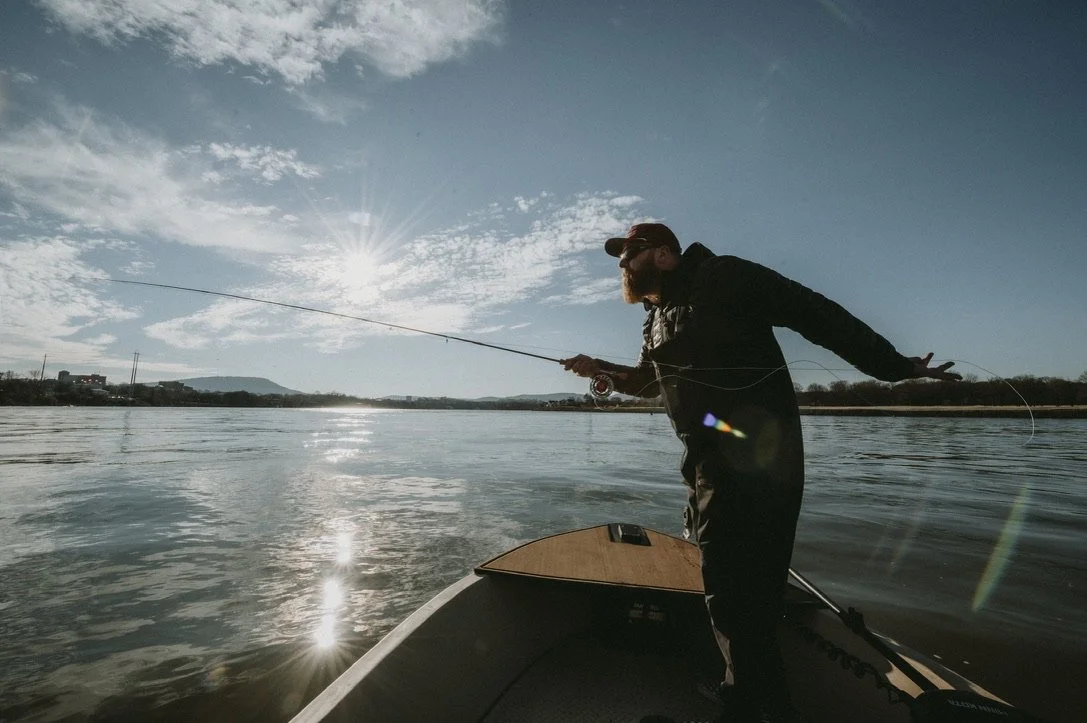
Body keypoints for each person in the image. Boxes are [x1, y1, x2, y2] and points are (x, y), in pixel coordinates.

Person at [561, 223, 960, 722]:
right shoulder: (656, 316)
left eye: (630, 254)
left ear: (664, 254)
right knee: (731, 587)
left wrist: (894, 365)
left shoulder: (723, 276)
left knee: (734, 594)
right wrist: (599, 367)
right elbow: (649, 383)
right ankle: (754, 695)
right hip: (707, 466)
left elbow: (816, 313)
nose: (622, 264)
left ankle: (748, 706)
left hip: (754, 462)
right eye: (619, 257)